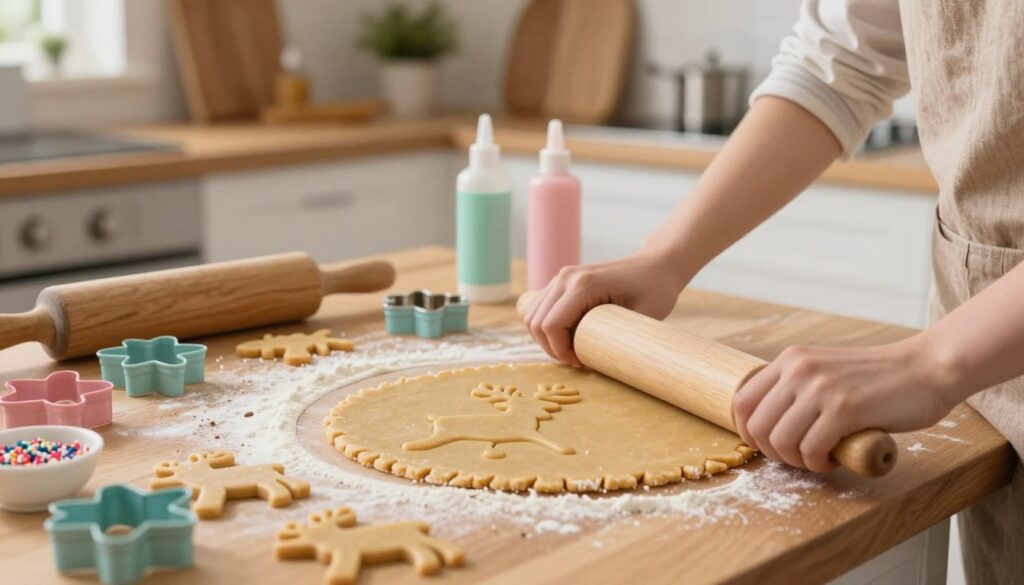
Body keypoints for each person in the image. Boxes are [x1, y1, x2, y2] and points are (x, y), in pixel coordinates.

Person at [521, 1, 1023, 582]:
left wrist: (933, 360)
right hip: (984, 373)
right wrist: (663, 259)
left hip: (967, 352)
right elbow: (840, 60)